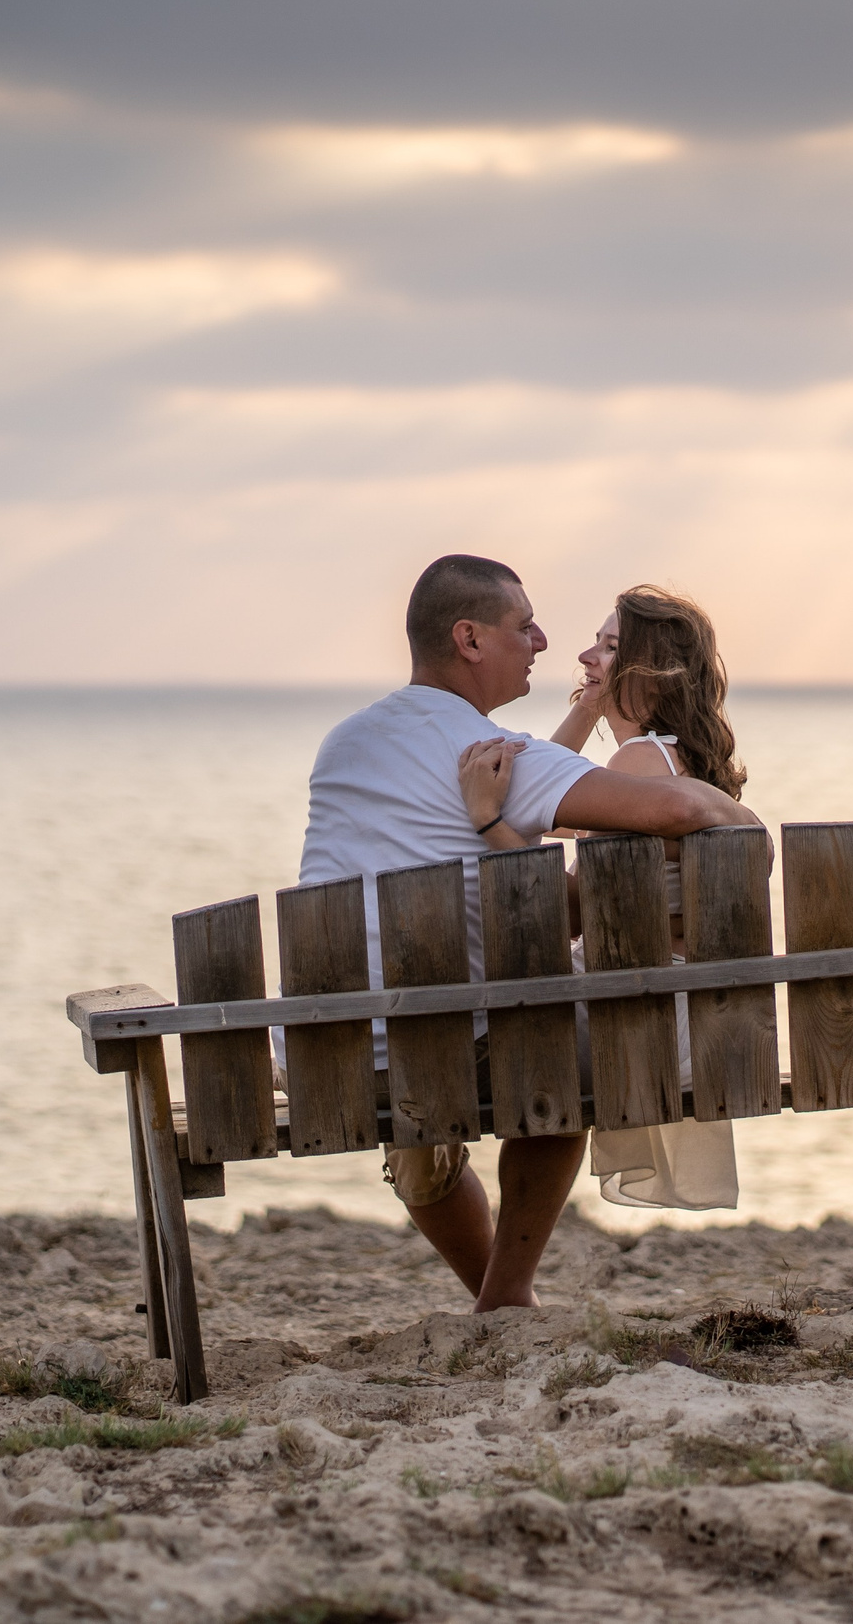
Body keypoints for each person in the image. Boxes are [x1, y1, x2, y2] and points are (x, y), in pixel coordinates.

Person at [297, 555, 760, 1312]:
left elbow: (549, 864)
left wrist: (503, 813)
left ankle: (502, 1296)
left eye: (599, 642)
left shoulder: (344, 744)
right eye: (525, 625)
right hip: (445, 1044)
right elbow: (675, 815)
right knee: (556, 1069)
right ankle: (506, 1294)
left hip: (327, 1046)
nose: (545, 640)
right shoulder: (490, 754)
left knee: (468, 1038)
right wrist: (750, 827)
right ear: (470, 639)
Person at [457, 585, 749, 1210]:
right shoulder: (660, 762)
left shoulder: (641, 765)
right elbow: (532, 798)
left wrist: (486, 824)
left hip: (640, 1019)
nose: (586, 658)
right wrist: (591, 711)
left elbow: (566, 912)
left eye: (609, 648)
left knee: (449, 1028)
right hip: (670, 1007)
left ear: (655, 673)